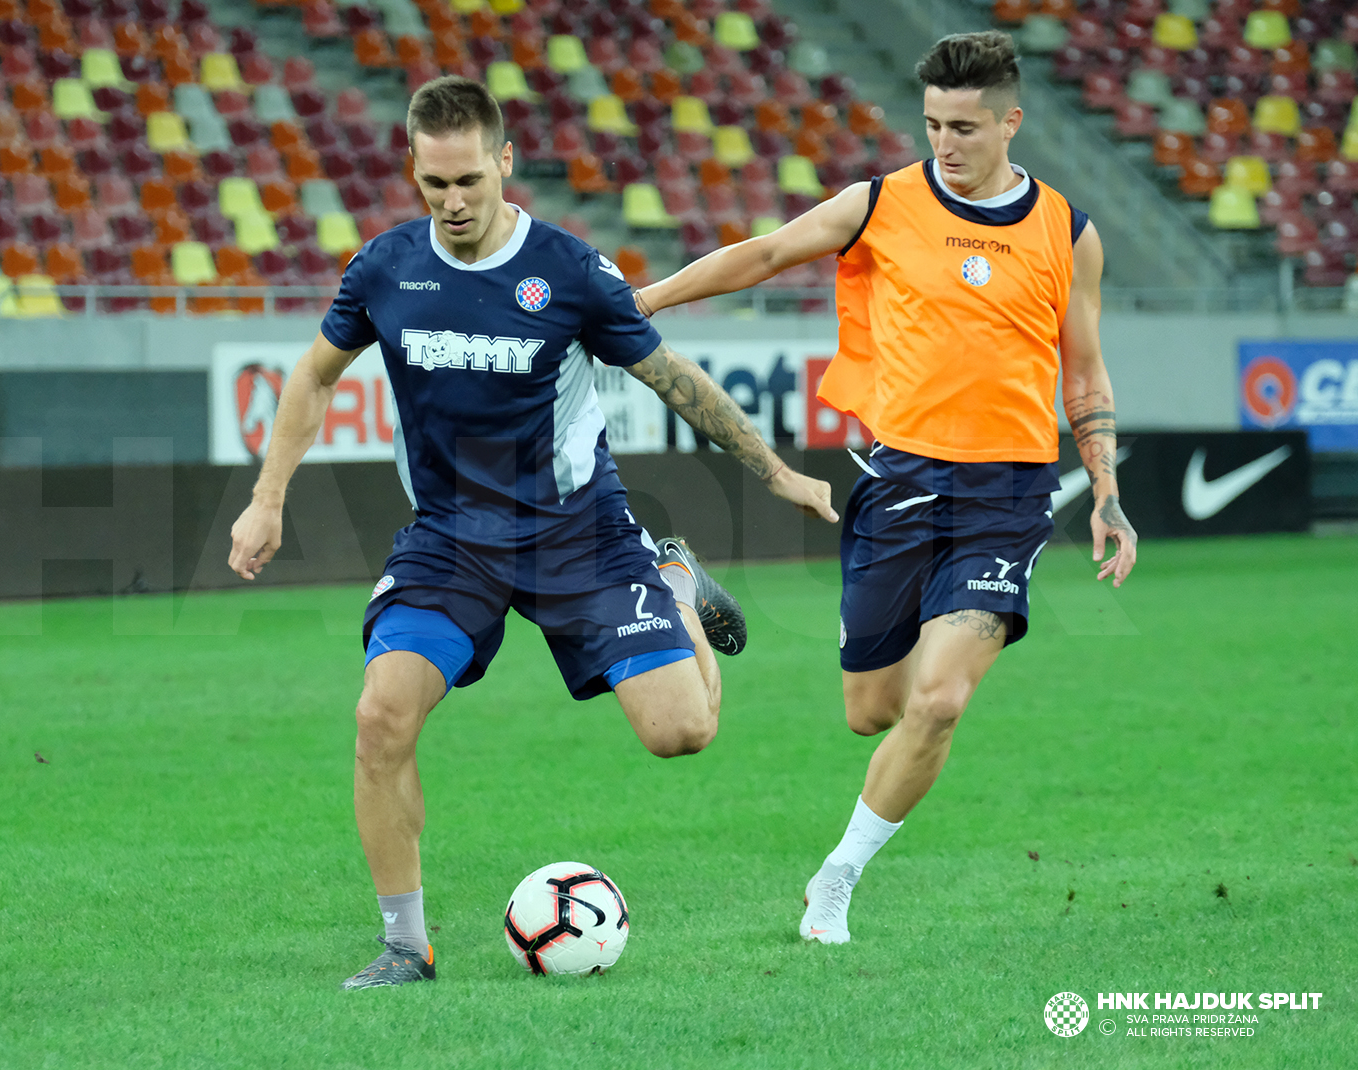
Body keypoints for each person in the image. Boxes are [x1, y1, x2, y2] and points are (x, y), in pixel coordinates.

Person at [226, 76, 838, 988]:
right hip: (450, 540)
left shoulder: (573, 273)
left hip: (578, 536)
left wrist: (779, 472)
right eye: (435, 184)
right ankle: (405, 945)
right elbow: (314, 378)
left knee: (682, 734)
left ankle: (671, 583)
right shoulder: (385, 270)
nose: (454, 201)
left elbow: (676, 381)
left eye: (470, 179)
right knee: (380, 715)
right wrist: (268, 496)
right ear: (413, 171)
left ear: (505, 162)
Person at [634, 31, 1138, 944]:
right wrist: (650, 300)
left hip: (1008, 497)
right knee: (873, 713)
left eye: (967, 128)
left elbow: (1087, 376)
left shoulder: (1069, 233)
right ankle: (682, 590)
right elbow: (765, 253)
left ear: (1011, 122)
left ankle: (836, 880)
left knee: (941, 700)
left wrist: (1103, 489)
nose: (945, 144)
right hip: (897, 485)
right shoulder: (883, 203)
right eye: (935, 125)